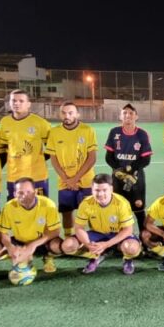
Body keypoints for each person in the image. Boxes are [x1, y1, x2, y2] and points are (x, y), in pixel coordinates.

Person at [0, 178, 64, 281]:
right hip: (19, 242)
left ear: (35, 192)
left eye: (28, 192)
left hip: (41, 241)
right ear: (14, 193)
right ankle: (19, 255)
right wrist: (9, 247)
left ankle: (47, 256)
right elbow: (3, 232)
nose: (24, 195)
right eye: (20, 192)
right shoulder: (9, 207)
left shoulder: (48, 205)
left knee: (57, 246)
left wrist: (32, 245)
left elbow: (55, 231)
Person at [61, 174, 140, 275]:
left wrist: (106, 244)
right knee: (67, 245)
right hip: (97, 234)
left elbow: (128, 230)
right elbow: (79, 228)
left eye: (104, 190)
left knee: (131, 248)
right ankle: (94, 256)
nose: (100, 194)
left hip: (117, 234)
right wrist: (88, 245)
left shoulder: (122, 203)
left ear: (111, 189)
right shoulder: (86, 203)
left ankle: (127, 259)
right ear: (92, 190)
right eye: (97, 190)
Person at [47, 102, 98, 239]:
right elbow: (54, 159)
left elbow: (92, 158)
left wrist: (74, 179)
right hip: (64, 181)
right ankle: (69, 237)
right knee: (66, 211)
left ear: (77, 114)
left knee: (90, 211)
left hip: (86, 180)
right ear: (60, 114)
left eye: (70, 113)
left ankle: (95, 236)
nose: (67, 116)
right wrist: (66, 179)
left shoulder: (87, 130)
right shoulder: (55, 132)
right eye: (64, 113)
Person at [104, 104, 153, 234]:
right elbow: (109, 158)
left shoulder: (142, 134)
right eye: (125, 113)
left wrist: (131, 170)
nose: (128, 115)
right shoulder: (114, 132)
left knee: (138, 208)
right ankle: (117, 242)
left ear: (136, 116)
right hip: (118, 178)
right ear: (120, 116)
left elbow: (146, 159)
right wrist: (119, 171)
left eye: (131, 113)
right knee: (117, 209)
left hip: (136, 177)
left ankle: (144, 241)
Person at [0, 90, 52, 199]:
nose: (16, 103)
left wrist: (37, 158)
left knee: (40, 209)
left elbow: (52, 148)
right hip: (13, 176)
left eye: (21, 101)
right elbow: (4, 148)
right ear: (9, 103)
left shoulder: (40, 123)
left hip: (37, 176)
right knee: (14, 208)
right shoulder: (4, 122)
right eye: (13, 100)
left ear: (28, 104)